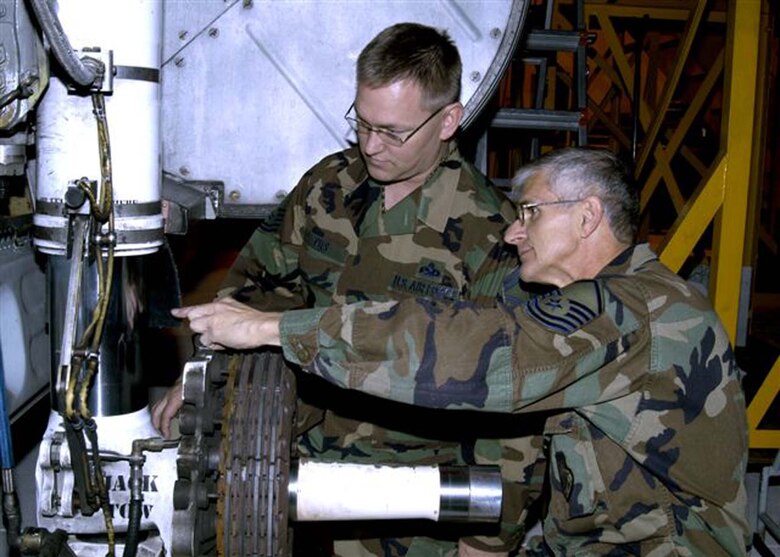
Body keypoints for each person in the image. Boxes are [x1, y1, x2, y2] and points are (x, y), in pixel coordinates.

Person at [173, 147, 752, 555]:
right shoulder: (621, 302)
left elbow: (476, 352)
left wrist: (276, 330)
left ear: (588, 216)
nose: (511, 232)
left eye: (529, 212)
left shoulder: (630, 309)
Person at [153, 22, 538, 556]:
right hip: (284, 472)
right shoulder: (328, 186)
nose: (371, 145)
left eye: (393, 132)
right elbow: (253, 289)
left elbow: (515, 398)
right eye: (362, 122)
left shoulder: (490, 234)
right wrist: (198, 380)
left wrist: (489, 538)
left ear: (449, 120)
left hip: (409, 500)